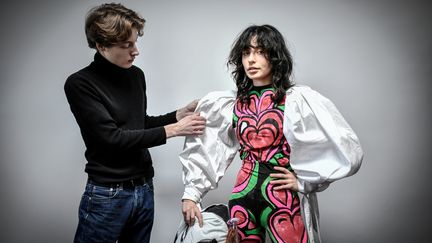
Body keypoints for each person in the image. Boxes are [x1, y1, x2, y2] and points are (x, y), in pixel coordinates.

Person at [179, 24, 363, 243]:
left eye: (260, 52)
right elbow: (207, 148)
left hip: (283, 200)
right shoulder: (228, 103)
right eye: (246, 53)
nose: (251, 60)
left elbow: (346, 147)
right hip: (242, 199)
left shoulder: (297, 100)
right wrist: (191, 194)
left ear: (275, 57)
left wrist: (304, 182)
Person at [64, 3, 206, 243]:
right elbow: (112, 139)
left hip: (144, 189)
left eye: (135, 42)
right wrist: (173, 130)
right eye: (126, 45)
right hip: (107, 196)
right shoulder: (80, 84)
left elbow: (138, 124)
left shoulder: (136, 75)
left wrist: (176, 116)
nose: (136, 51)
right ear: (101, 46)